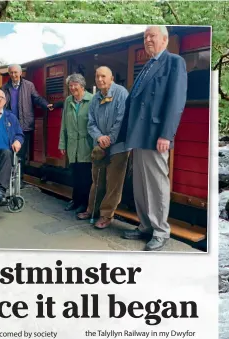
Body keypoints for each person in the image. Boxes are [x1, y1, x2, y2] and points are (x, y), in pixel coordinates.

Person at [118, 25, 187, 251]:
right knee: (140, 184)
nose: (147, 39)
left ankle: (160, 231)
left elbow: (176, 101)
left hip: (156, 134)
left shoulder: (174, 62)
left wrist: (166, 134)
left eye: (152, 36)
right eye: (145, 36)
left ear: (165, 40)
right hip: (139, 135)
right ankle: (145, 226)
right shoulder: (147, 65)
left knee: (156, 184)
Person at [76, 66, 129, 230]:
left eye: (103, 76)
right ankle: (91, 210)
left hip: (119, 147)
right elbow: (90, 123)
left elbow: (122, 121)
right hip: (99, 146)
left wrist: (110, 139)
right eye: (97, 76)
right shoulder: (95, 98)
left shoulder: (121, 93)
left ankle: (106, 216)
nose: (100, 79)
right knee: (97, 181)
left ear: (111, 78)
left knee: (113, 184)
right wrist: (99, 137)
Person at [1, 64, 53, 175]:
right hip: (8, 126)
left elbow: (36, 98)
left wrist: (46, 105)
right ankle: (7, 176)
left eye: (15, 72)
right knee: (7, 152)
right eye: (11, 73)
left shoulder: (29, 85)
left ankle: (19, 180)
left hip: (24, 125)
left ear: (21, 73)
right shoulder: (4, 88)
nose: (13, 75)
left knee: (21, 154)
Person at [58, 73, 94, 214]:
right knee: (75, 174)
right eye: (70, 85)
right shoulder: (68, 101)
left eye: (75, 85)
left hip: (87, 144)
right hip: (72, 144)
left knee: (85, 176)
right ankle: (76, 200)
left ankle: (84, 203)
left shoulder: (92, 100)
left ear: (82, 86)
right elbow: (64, 124)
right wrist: (62, 144)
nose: (72, 88)